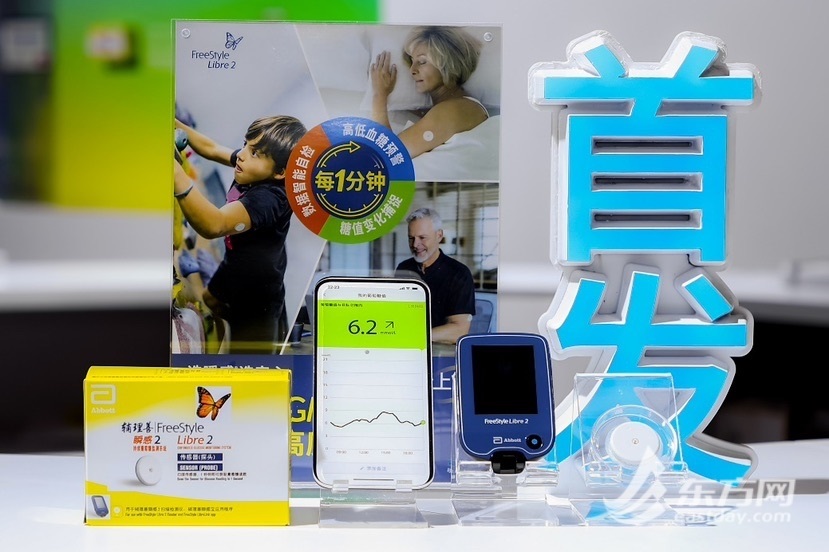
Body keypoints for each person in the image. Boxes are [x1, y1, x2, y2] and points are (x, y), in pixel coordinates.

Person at [173, 115, 307, 354]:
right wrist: (174, 124)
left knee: (248, 360)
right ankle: (220, 345)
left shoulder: (270, 198)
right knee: (211, 299)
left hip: (258, 294)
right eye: (246, 144)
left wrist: (175, 173)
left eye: (255, 152)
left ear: (280, 171)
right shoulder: (250, 166)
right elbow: (212, 148)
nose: (242, 155)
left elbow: (214, 225)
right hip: (236, 265)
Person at [370, 26, 488, 158]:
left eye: (422, 61)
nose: (412, 70)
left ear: (448, 63)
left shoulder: (454, 110)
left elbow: (389, 155)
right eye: (412, 61)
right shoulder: (440, 112)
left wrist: (379, 95)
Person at [395, 207, 475, 345]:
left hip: (440, 352)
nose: (415, 244)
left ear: (439, 236)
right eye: (411, 238)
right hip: (405, 346)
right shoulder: (404, 269)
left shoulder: (459, 273)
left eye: (422, 238)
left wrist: (416, 336)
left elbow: (459, 330)